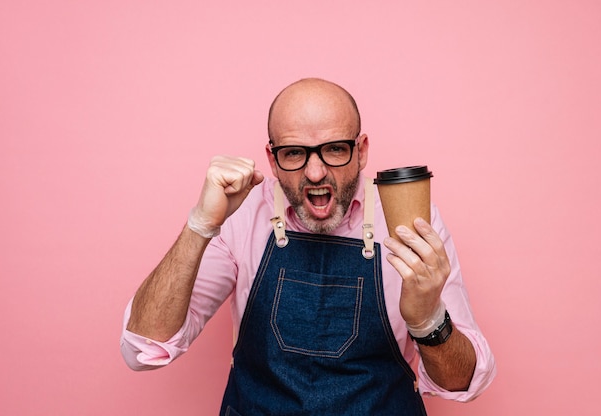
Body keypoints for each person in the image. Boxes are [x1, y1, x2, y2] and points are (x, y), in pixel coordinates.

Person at [121, 78, 496, 415]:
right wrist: (200, 225)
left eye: (334, 149)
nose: (315, 173)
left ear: (362, 150)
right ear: (272, 159)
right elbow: (142, 350)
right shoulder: (243, 213)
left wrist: (428, 319)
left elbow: (464, 382)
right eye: (295, 153)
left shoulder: (406, 219)